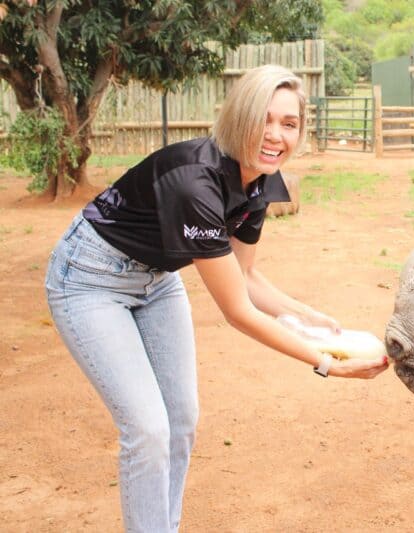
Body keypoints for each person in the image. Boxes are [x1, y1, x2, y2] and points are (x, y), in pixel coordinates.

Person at [44, 64, 389, 533]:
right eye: (263, 119)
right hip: (90, 278)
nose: (275, 135)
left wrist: (311, 317)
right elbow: (237, 311)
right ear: (239, 117)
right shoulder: (194, 183)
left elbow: (246, 276)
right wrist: (324, 361)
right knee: (148, 430)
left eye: (288, 124)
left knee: (181, 423)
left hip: (156, 279)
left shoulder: (263, 181)